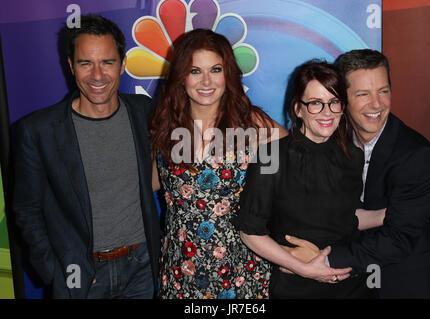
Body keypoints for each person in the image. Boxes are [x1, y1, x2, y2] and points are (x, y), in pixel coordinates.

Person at [13, 14, 160, 298]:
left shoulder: (144, 111)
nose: (97, 75)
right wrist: (52, 271)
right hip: (80, 275)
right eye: (85, 63)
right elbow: (27, 211)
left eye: (107, 62)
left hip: (142, 269)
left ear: (123, 64)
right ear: (71, 66)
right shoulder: (39, 131)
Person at [286, 49, 430, 298]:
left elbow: (398, 239)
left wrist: (324, 259)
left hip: (410, 282)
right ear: (342, 99)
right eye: (363, 94)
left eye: (383, 91)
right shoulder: (336, 144)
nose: (377, 104)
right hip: (359, 284)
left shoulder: (415, 155)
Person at [149, 29, 287, 299]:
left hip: (242, 271)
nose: (206, 81)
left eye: (215, 69)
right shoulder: (167, 126)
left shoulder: (251, 124)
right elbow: (149, 184)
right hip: (181, 273)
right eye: (194, 70)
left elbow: (299, 164)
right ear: (181, 77)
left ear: (229, 74)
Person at [232, 60, 385, 298]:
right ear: (298, 109)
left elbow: (346, 217)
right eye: (316, 104)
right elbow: (250, 231)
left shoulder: (353, 155)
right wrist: (304, 269)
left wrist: (392, 213)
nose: (327, 113)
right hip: (297, 285)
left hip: (352, 283)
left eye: (334, 103)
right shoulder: (271, 156)